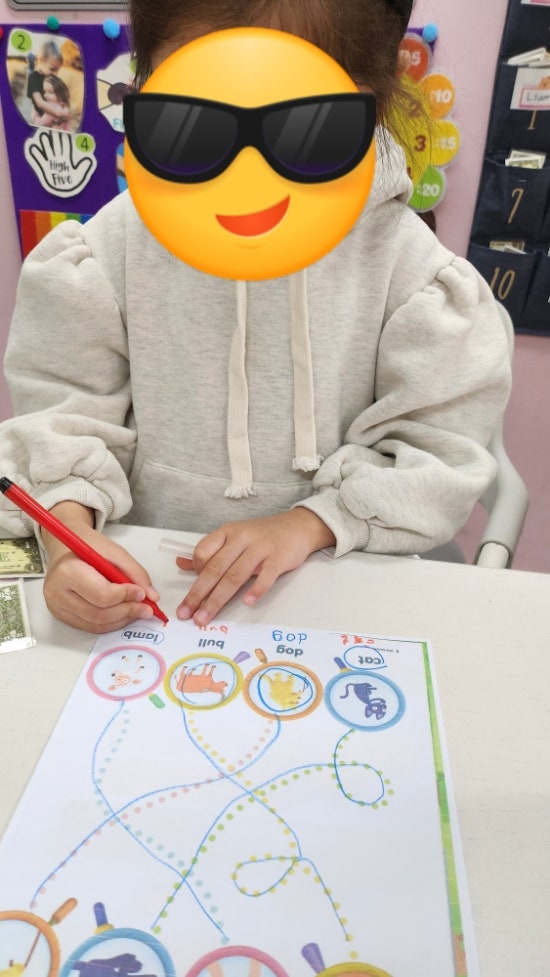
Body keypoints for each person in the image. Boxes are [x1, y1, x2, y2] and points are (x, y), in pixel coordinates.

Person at [0, 0, 511, 634]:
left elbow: (436, 450)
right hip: (149, 588)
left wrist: (311, 523)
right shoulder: (106, 252)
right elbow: (65, 417)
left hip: (342, 583)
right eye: (192, 119)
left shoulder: (407, 269)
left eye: (307, 126)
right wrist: (68, 537)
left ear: (374, 105)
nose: (248, 170)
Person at [26, 40, 66, 127]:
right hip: (41, 118)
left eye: (57, 70)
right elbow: (39, 102)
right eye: (52, 69)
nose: (55, 74)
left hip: (53, 118)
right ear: (41, 61)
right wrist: (58, 113)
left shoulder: (51, 78)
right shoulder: (34, 77)